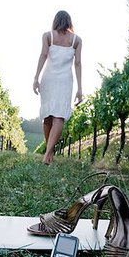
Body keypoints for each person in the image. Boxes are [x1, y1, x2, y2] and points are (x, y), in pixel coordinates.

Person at [33, 10, 83, 165]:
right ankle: (49, 152)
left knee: (48, 117)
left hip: (48, 78)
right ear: (69, 22)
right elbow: (78, 63)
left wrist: (36, 77)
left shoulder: (48, 36)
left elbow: (43, 56)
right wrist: (80, 88)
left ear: (55, 21)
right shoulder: (76, 40)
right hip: (65, 81)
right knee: (58, 116)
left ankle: (48, 153)